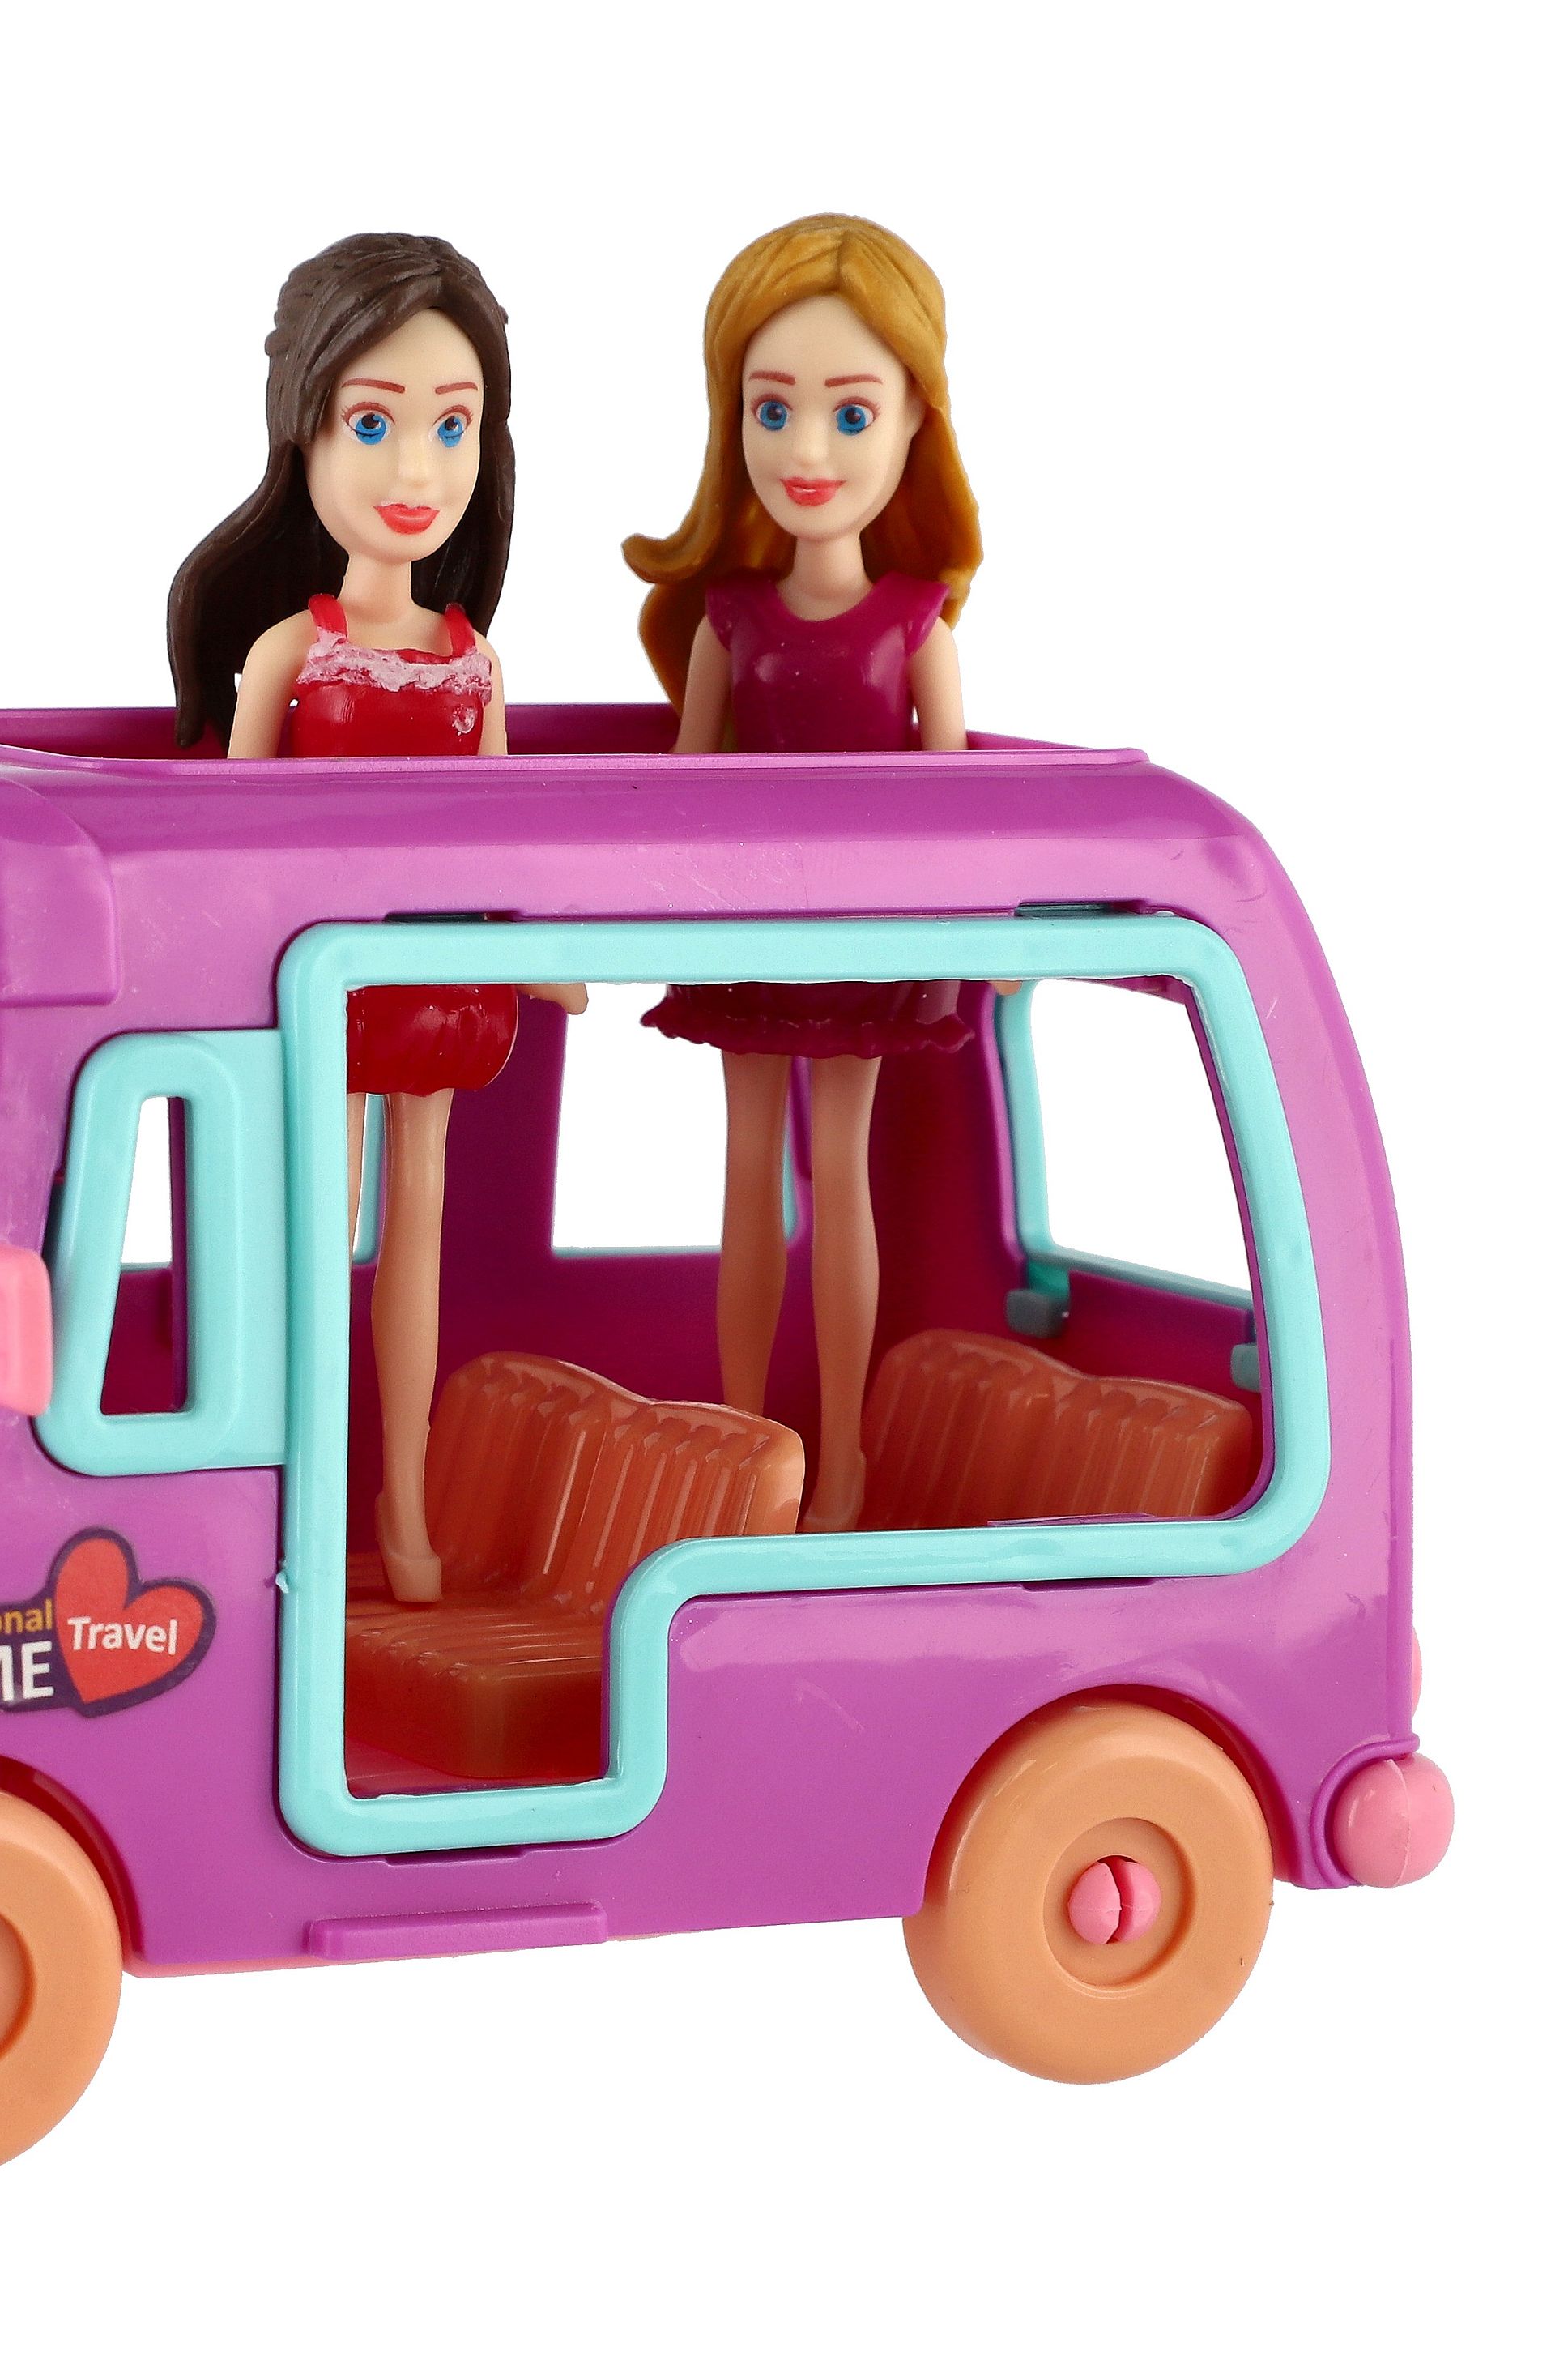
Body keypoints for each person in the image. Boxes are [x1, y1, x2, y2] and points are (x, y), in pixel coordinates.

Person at [165, 233, 578, 1603]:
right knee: (312, 1243)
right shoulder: (291, 650)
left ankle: (402, 1511)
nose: (416, 471)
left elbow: (504, 833)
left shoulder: (473, 662)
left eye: (451, 428)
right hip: (317, 997)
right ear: (304, 432)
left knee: (418, 1248)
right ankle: (301, 1503)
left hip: (436, 991)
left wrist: (542, 954)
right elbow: (231, 844)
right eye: (373, 423)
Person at [621, 212, 986, 1531]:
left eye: (850, 412)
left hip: (863, 946)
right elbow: (686, 784)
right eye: (771, 411)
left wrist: (961, 934)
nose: (807, 452)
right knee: (742, 1184)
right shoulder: (727, 621)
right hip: (743, 941)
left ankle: (840, 1464)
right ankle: (738, 1450)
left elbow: (953, 809)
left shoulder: (914, 627)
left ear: (913, 421)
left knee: (841, 1186)